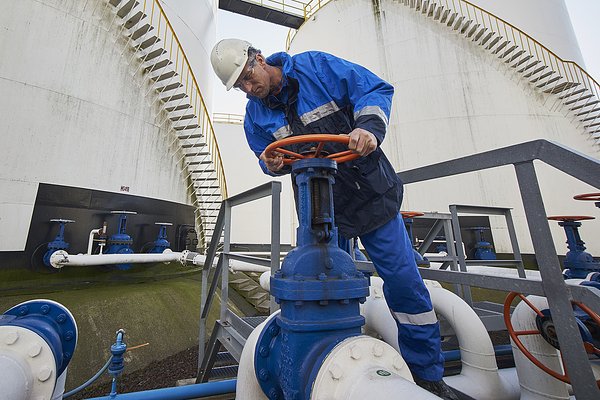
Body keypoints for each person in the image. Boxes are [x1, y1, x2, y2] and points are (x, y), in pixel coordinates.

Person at [210, 39, 458, 400]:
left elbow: (372, 88)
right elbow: (264, 154)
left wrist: (369, 128)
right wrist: (272, 165)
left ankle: (427, 374)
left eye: (248, 76)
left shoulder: (315, 69)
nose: (249, 89)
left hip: (370, 194)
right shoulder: (255, 115)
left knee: (404, 282)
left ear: (259, 60)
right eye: (240, 87)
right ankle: (337, 363)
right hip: (319, 209)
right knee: (322, 285)